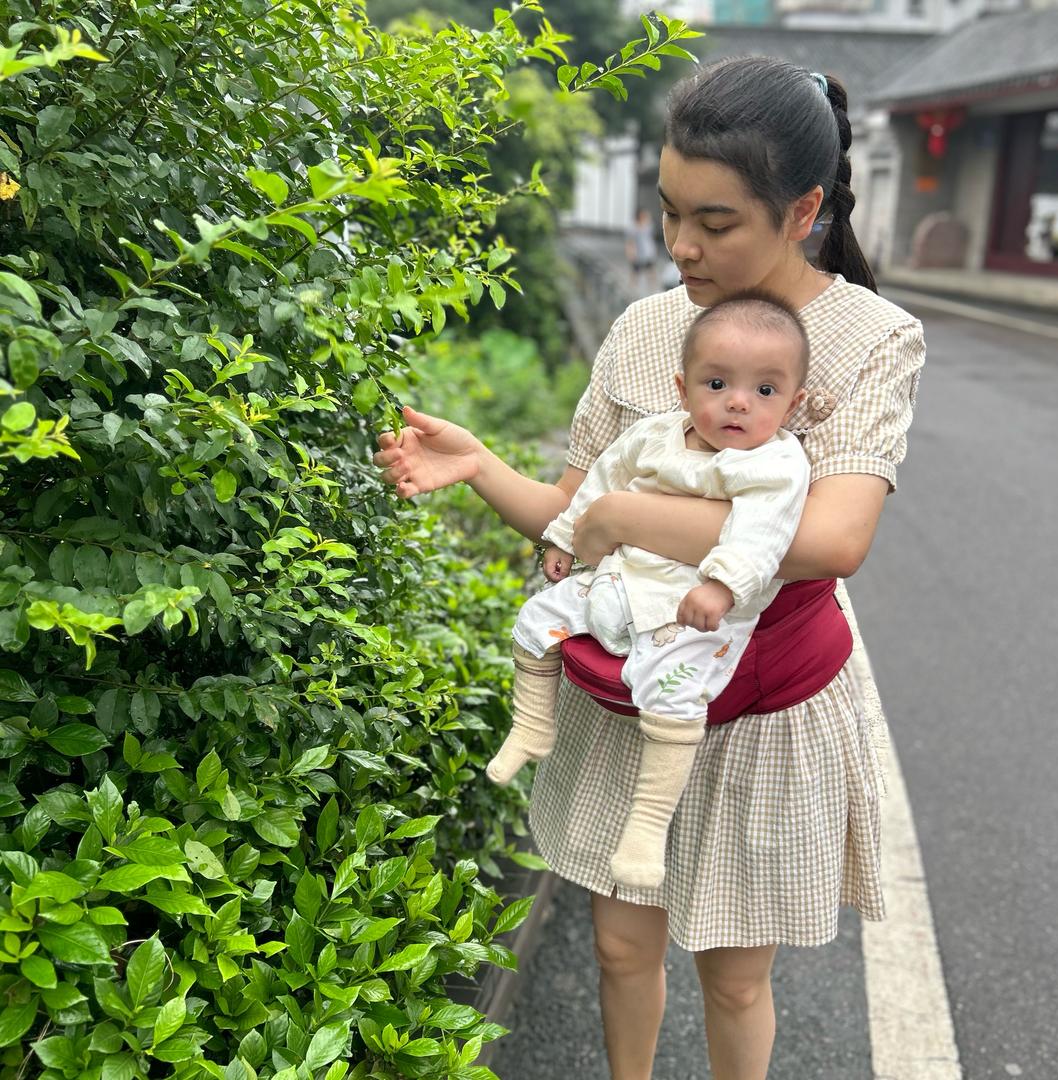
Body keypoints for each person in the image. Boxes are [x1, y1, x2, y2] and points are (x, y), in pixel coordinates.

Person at [375, 55, 925, 1080]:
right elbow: (568, 514)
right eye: (670, 211)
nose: (681, 247)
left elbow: (835, 538)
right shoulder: (643, 332)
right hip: (631, 683)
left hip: (766, 702)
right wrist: (482, 467)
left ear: (804, 209)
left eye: (717, 224)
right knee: (620, 944)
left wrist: (630, 513)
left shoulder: (870, 339)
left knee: (733, 970)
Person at [488, 294, 811, 897]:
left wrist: (722, 584)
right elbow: (599, 485)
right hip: (617, 579)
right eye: (718, 383)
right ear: (683, 388)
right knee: (537, 619)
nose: (739, 401)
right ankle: (532, 725)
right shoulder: (654, 436)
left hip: (689, 607)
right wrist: (563, 538)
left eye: (765, 391)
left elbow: (764, 529)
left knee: (672, 692)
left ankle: (647, 823)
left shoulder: (774, 462)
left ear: (793, 404)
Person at [626, 206, 660, 296]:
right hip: (638, 253)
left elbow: (651, 237)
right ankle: (630, 290)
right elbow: (630, 242)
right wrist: (630, 253)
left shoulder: (648, 225)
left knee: (651, 270)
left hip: (648, 252)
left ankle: (653, 289)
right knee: (635, 271)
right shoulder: (633, 227)